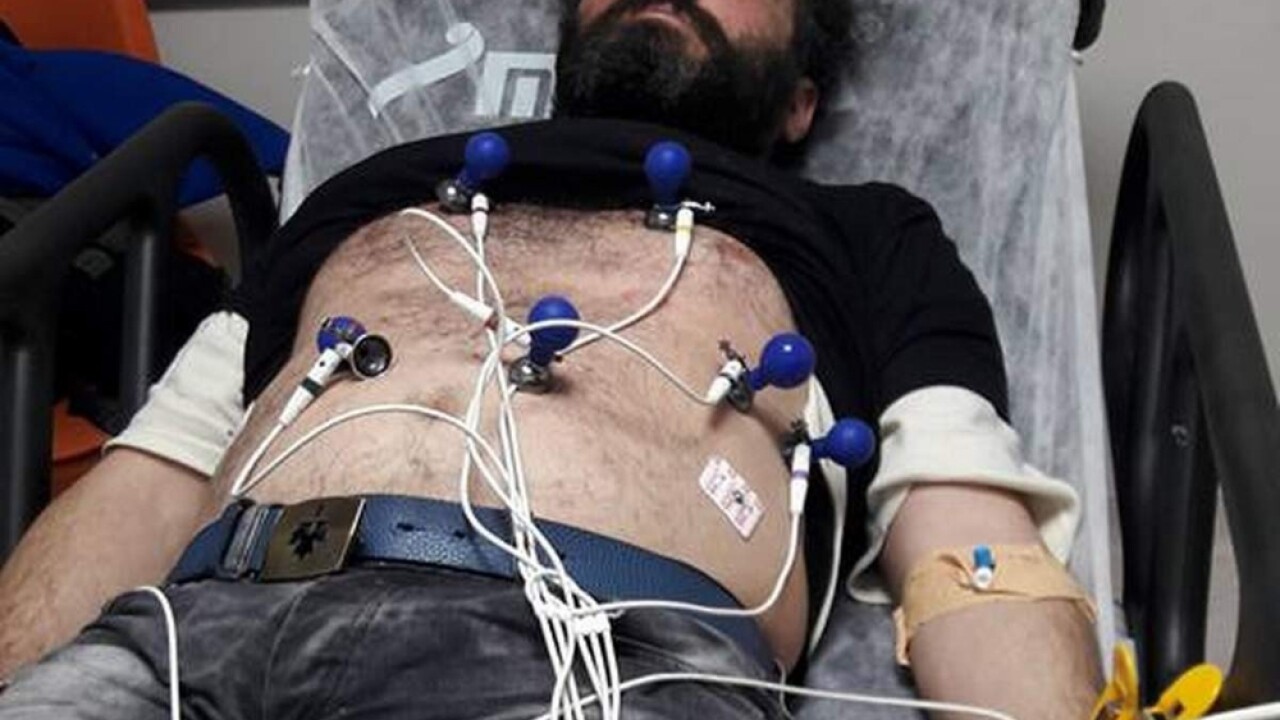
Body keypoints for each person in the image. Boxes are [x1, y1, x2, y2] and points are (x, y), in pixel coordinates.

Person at [0, 0, 1102, 717]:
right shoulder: (377, 188)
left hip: (594, 658)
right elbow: (155, 471)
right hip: (193, 630)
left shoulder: (866, 232)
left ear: (802, 100)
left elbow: (971, 542)